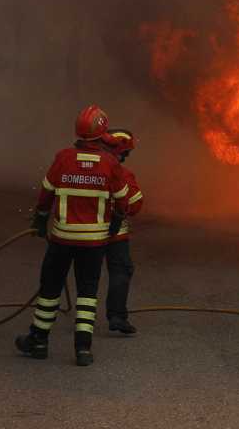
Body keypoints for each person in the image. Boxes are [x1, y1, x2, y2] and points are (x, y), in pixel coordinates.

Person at [16, 105, 135, 367]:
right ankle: (83, 349)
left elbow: (46, 194)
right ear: (101, 133)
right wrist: (115, 222)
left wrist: (40, 220)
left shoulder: (63, 158)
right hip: (94, 243)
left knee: (49, 289)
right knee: (87, 293)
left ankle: (38, 341)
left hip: (62, 240)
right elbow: (123, 202)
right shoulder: (110, 164)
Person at [103, 129, 140, 336]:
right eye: (126, 153)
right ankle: (117, 316)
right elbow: (135, 205)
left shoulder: (87, 168)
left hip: (85, 236)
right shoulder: (123, 174)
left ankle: (82, 323)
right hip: (115, 236)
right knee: (120, 271)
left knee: (85, 277)